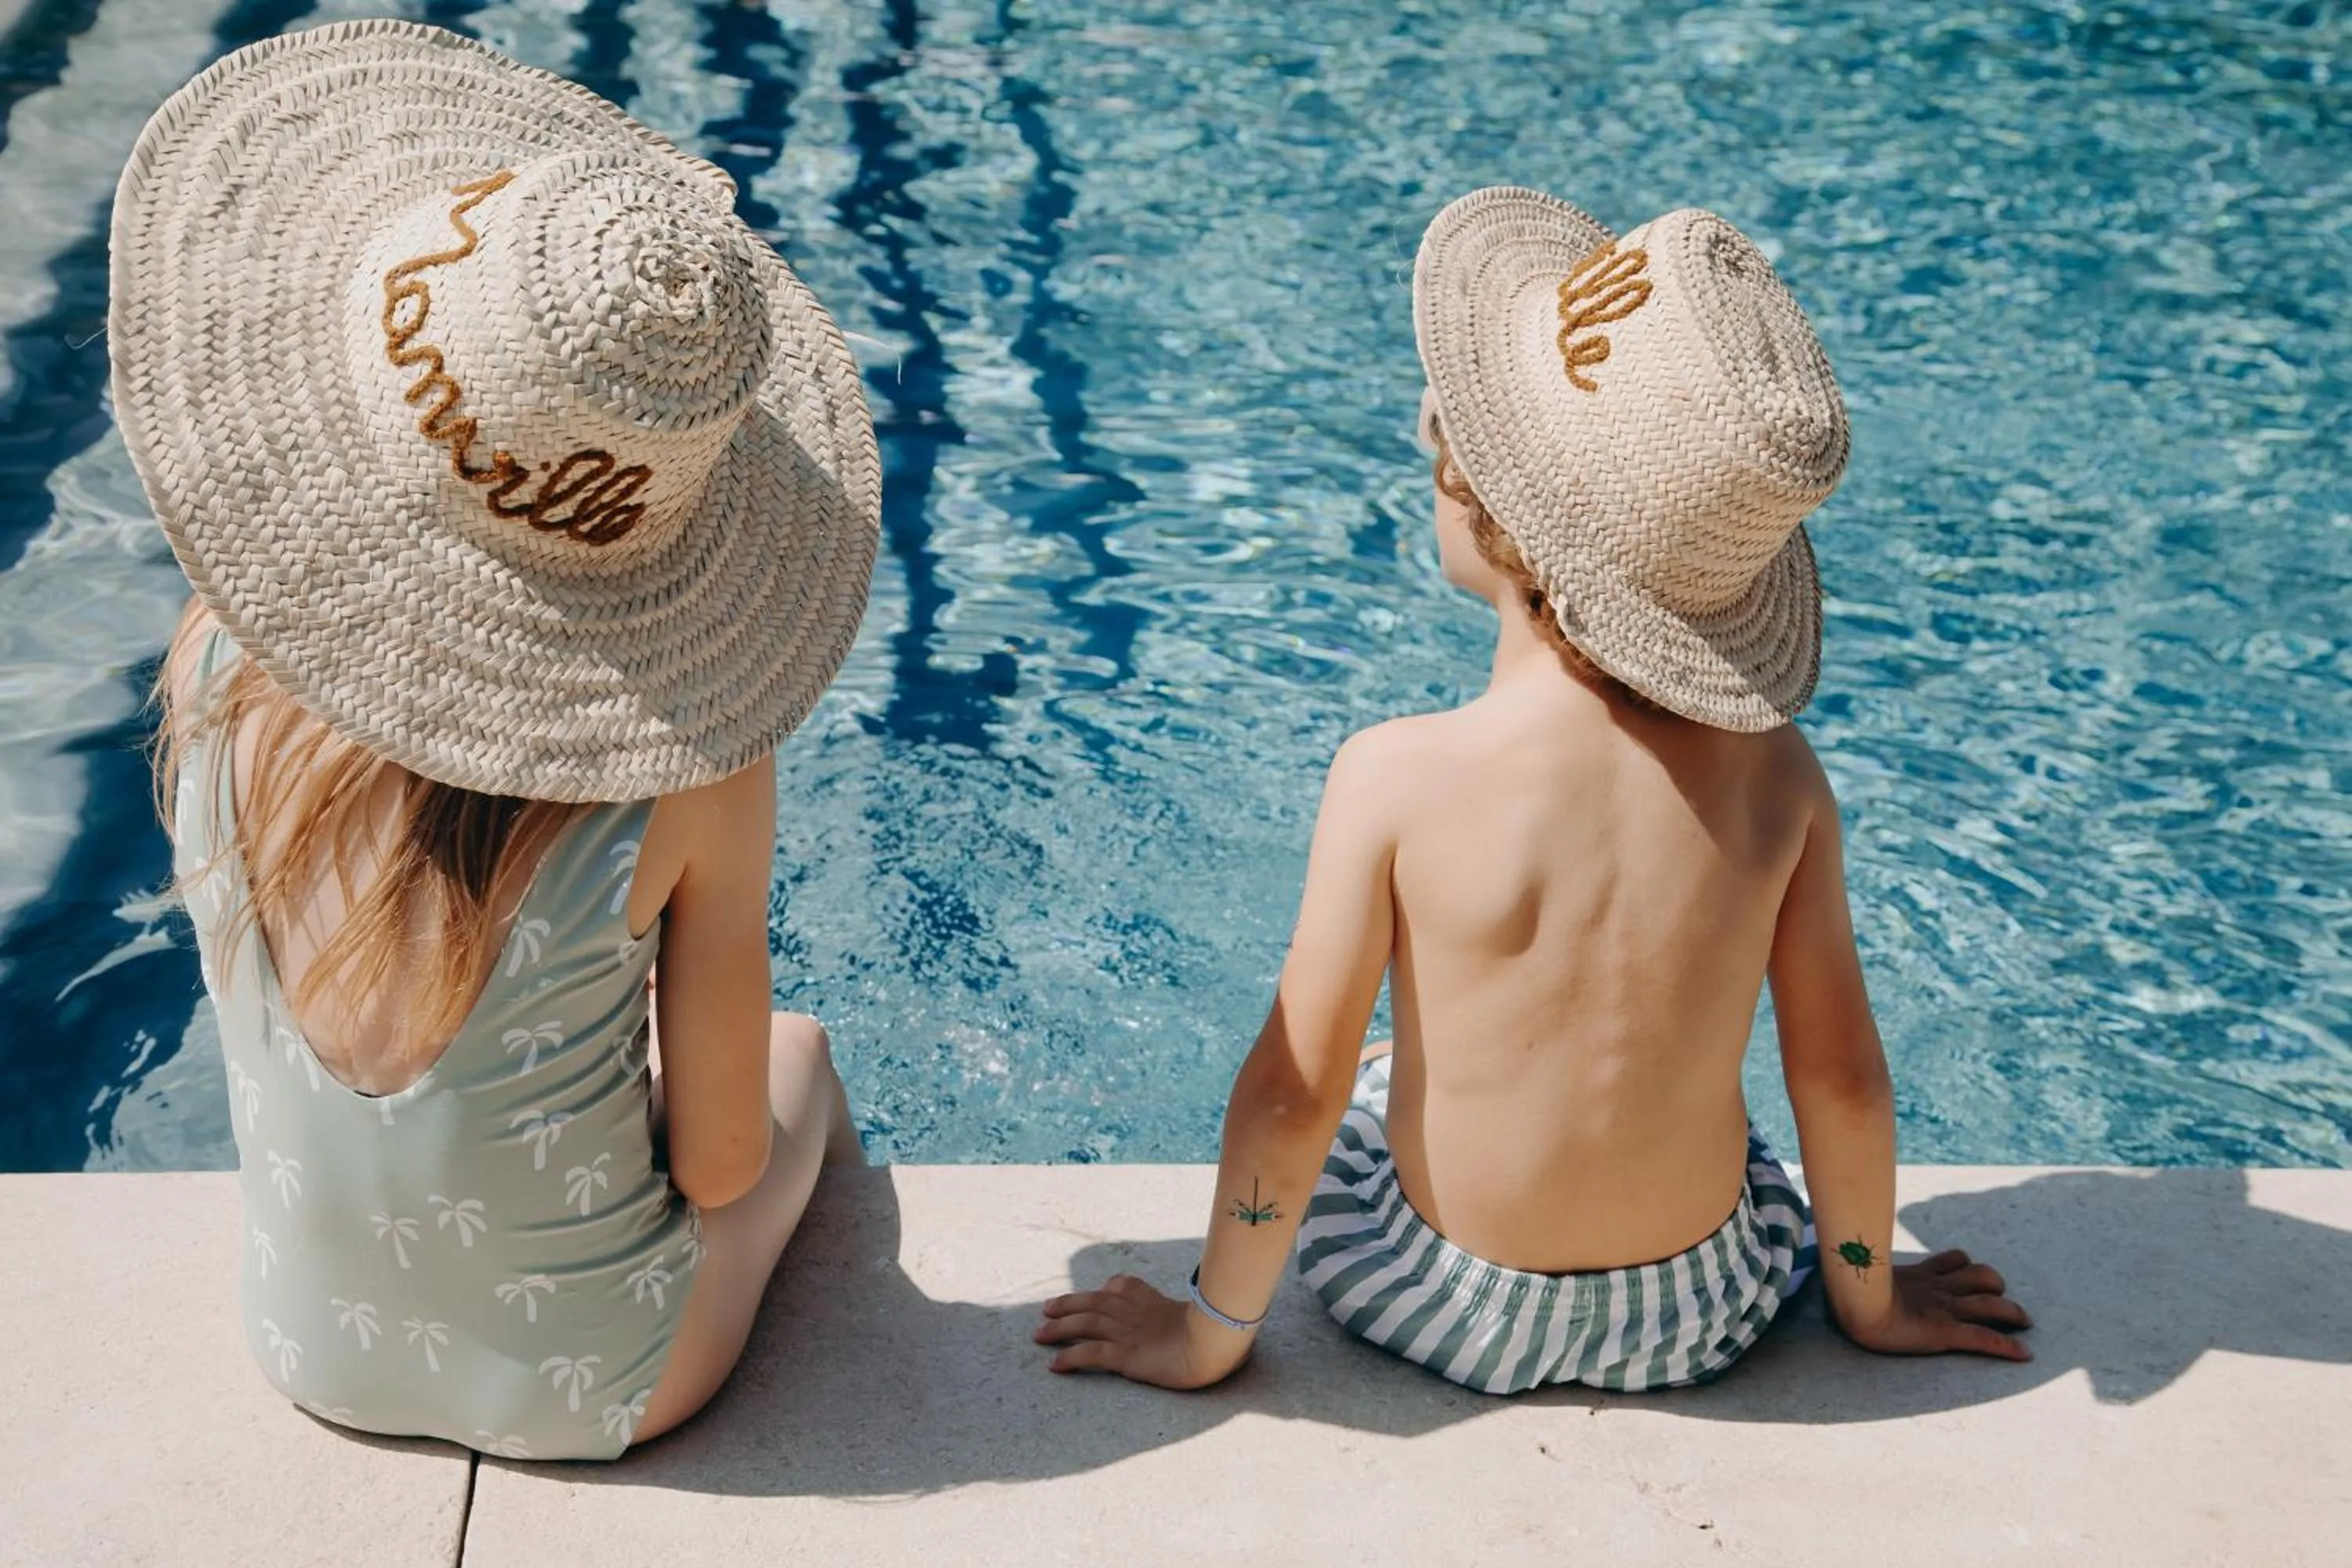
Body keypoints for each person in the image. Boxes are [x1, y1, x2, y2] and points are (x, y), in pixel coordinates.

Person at [1037, 188, 2032, 1393]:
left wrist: (1207, 1333)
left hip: (1437, 1296)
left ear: (1481, 496)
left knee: (1363, 1078)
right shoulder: (1782, 779)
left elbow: (1291, 1097)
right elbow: (1841, 1077)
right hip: (1701, 1307)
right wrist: (1868, 1298)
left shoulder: (1393, 777)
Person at [120, 20, 880, 1458]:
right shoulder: (695, 772)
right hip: (603, 1386)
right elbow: (719, 1167)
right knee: (802, 1060)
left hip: (304, 1341)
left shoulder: (217, 649)